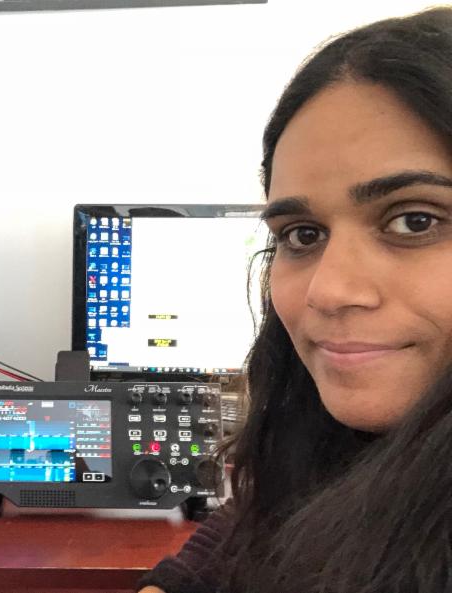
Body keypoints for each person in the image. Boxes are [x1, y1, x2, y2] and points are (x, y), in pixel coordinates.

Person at [137, 7, 452, 593]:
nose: (327, 291)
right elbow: (244, 534)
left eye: (415, 220)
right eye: (302, 235)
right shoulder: (339, 453)